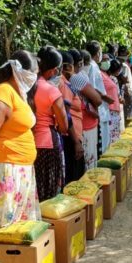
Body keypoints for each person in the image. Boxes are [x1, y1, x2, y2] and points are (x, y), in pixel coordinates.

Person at [0, 50, 41, 232]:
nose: (34, 77)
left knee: (19, 228)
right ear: (18, 70)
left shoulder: (18, 93)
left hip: (20, 168)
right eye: (32, 72)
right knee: (3, 225)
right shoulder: (3, 91)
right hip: (6, 169)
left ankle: (17, 261)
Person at [33, 46, 68, 201]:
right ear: (54, 70)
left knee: (33, 188)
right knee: (49, 189)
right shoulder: (51, 91)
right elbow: (64, 126)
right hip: (48, 143)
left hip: (28, 142)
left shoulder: (25, 86)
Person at [68, 49, 103, 169]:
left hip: (81, 123)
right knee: (88, 162)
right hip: (86, 123)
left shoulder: (71, 78)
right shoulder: (76, 77)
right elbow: (97, 99)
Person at [57, 50, 85, 182]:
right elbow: (66, 115)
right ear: (68, 67)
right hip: (69, 137)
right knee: (73, 178)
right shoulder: (63, 84)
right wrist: (76, 142)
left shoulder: (61, 82)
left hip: (69, 135)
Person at [85, 41, 115, 154]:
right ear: (97, 53)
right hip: (99, 106)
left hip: (102, 107)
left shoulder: (92, 66)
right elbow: (92, 87)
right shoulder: (92, 66)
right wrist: (105, 97)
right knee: (102, 144)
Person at [104, 58, 123, 143]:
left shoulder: (104, 76)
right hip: (113, 109)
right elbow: (118, 95)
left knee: (110, 135)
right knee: (114, 137)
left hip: (109, 108)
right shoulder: (113, 79)